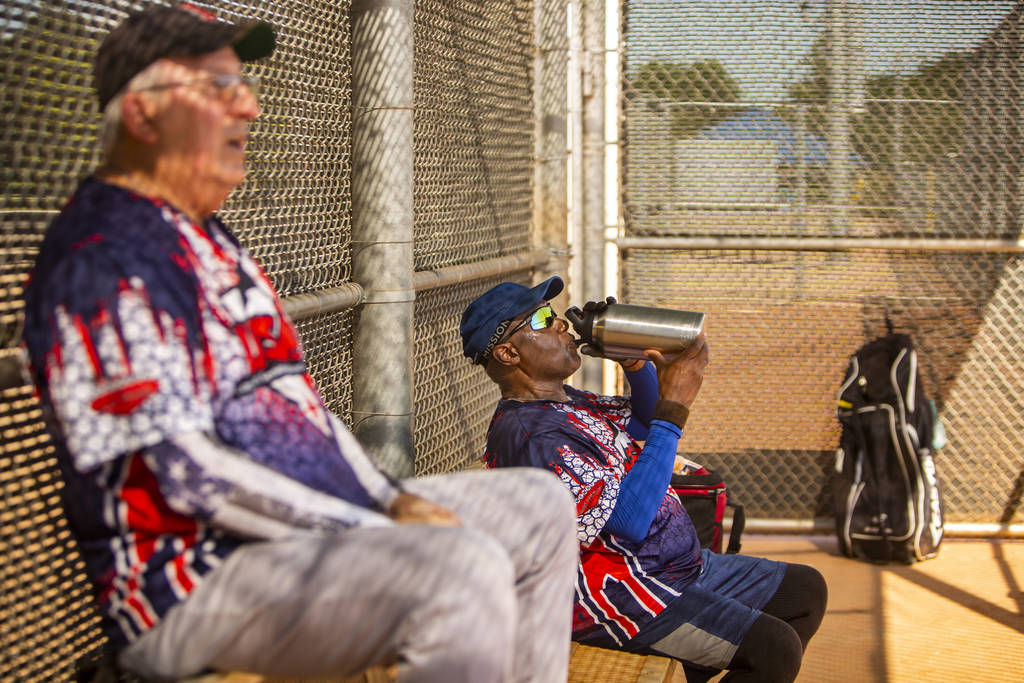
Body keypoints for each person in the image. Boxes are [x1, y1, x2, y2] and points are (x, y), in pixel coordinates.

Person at [21, 5, 578, 682]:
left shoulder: (210, 242)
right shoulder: (99, 257)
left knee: (542, 507)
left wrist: (388, 498)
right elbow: (181, 469)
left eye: (242, 85)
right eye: (219, 88)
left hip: (294, 540)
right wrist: (369, 527)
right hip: (189, 582)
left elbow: (300, 412)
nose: (249, 106)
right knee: (461, 569)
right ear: (142, 115)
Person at [460, 277, 828, 683]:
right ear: (509, 353)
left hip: (669, 568)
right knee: (772, 648)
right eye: (543, 318)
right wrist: (675, 410)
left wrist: (632, 360)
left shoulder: (563, 401)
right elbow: (630, 519)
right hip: (621, 595)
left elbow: (645, 419)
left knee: (804, 592)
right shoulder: (533, 436)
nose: (561, 323)